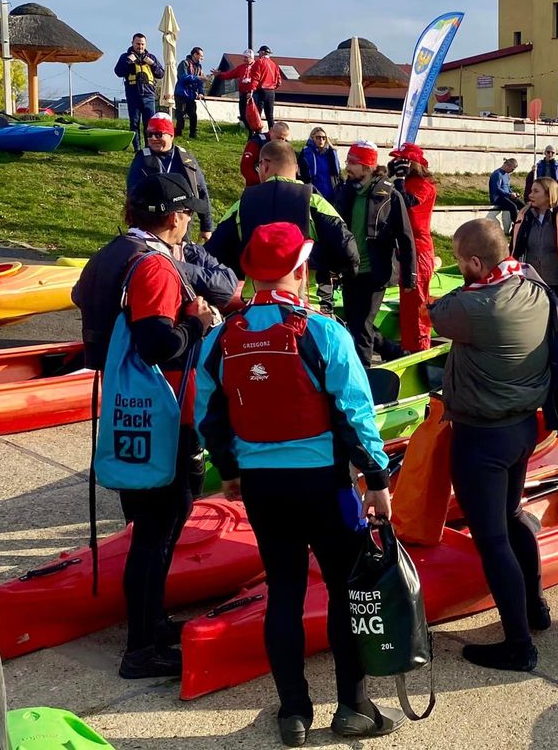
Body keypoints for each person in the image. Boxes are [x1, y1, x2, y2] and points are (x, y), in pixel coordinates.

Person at [195, 222, 402, 746]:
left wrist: (233, 469)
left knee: (283, 593)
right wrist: (376, 478)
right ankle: (354, 708)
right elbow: (357, 412)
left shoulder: (221, 337)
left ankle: (293, 712)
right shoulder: (323, 332)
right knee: (346, 592)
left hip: (264, 489)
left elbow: (207, 413)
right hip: (326, 485)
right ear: (301, 270)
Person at [73, 173, 216, 679]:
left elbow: (81, 296)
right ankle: (142, 649)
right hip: (163, 415)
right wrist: (197, 322)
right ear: (173, 217)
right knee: (157, 532)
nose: (188, 222)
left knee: (149, 530)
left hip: (128, 409)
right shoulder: (154, 265)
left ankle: (153, 624)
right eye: (186, 214)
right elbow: (157, 342)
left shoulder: (113, 251)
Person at [427, 218, 553, 672]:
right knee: (512, 515)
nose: (460, 268)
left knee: (493, 538)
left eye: (462, 262)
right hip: (522, 430)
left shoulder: (475, 305)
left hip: (481, 438)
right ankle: (535, 607)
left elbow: (435, 312)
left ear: (475, 263)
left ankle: (518, 645)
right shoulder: (532, 287)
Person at [206, 141, 358, 310]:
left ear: (264, 166)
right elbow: (348, 250)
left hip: (258, 304)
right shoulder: (315, 202)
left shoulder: (241, 206)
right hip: (310, 302)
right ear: (297, 168)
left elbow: (212, 254)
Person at [334, 142, 417, 368]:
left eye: (353, 163)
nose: (347, 167)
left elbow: (406, 236)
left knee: (362, 324)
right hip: (351, 270)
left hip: (376, 272)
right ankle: (392, 350)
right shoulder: (345, 190)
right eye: (348, 161)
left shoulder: (389, 194)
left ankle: (364, 375)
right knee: (356, 322)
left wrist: (410, 276)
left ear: (368, 166)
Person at [126, 113, 214, 240]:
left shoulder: (185, 158)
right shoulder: (141, 159)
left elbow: (202, 191)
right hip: (152, 223)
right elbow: (133, 194)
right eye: (149, 135)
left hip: (181, 223)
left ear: (171, 135)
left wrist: (206, 226)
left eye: (159, 134)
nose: (153, 139)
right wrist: (133, 225)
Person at [391, 143, 438, 353]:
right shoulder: (409, 182)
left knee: (417, 302)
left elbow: (406, 203)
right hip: (407, 249)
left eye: (404, 160)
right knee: (408, 304)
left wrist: (399, 181)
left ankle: (420, 348)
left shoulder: (423, 184)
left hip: (419, 250)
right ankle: (408, 346)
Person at [511, 177, 558, 307]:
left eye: (535, 191)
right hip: (531, 285)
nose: (530, 195)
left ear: (548, 194)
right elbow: (513, 249)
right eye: (531, 191)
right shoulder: (525, 217)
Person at [114, 33, 164, 150]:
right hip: (133, 94)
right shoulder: (125, 57)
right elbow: (118, 72)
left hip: (149, 96)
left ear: (145, 45)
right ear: (132, 43)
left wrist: (153, 64)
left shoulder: (151, 57)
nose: (140, 46)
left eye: (142, 44)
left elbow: (161, 74)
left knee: (150, 124)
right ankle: (137, 148)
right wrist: (128, 61)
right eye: (138, 44)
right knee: (134, 123)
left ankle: (149, 147)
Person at [241, 119, 292, 188]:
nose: (280, 141)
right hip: (257, 186)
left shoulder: (286, 147)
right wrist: (262, 183)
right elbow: (246, 167)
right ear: (271, 131)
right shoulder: (256, 143)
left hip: (279, 187)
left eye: (283, 139)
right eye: (278, 138)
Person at [297, 127, 342, 204]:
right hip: (314, 196)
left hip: (331, 197)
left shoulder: (330, 154)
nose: (321, 140)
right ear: (312, 138)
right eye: (318, 137)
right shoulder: (305, 153)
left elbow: (338, 174)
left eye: (323, 138)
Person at [215, 49, 258, 125]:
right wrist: (219, 75)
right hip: (243, 93)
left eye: (246, 58)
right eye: (244, 57)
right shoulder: (241, 67)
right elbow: (230, 74)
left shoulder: (257, 67)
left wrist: (251, 90)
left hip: (253, 94)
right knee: (243, 114)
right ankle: (248, 131)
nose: (244, 59)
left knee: (253, 114)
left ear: (251, 58)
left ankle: (254, 132)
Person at [174, 47, 205, 139]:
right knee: (180, 114)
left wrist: (201, 92)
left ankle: (193, 134)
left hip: (191, 94)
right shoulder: (184, 63)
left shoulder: (199, 67)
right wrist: (197, 78)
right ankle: (179, 133)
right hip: (181, 93)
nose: (202, 58)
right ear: (195, 54)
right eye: (201, 56)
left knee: (193, 114)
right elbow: (183, 77)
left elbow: (200, 81)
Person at [252, 46, 283, 129]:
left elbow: (256, 78)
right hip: (271, 92)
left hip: (261, 91)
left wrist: (252, 90)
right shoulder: (274, 65)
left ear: (262, 53)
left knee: (257, 114)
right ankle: (273, 135)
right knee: (270, 116)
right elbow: (279, 82)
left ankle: (257, 135)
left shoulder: (259, 62)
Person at [489, 158, 523, 233]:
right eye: (512, 169)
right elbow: (497, 189)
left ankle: (522, 223)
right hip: (498, 198)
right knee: (513, 206)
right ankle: (516, 225)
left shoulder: (507, 175)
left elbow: (507, 188)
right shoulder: (497, 174)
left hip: (506, 196)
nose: (512, 171)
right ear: (507, 165)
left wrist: (513, 193)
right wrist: (509, 194)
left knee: (522, 205)